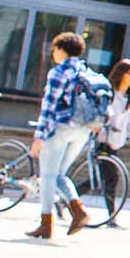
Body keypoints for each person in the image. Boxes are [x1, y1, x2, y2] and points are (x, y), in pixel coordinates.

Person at [26, 33, 101, 241]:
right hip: (83, 130)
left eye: (54, 49)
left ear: (61, 49)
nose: (53, 54)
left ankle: (46, 223)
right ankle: (78, 211)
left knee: (48, 176)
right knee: (59, 174)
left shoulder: (59, 72)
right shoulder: (86, 71)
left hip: (61, 128)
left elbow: (48, 107)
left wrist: (39, 136)